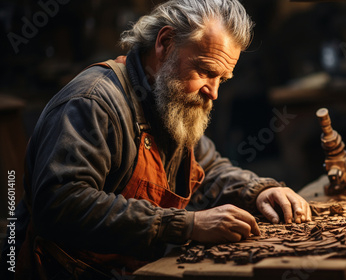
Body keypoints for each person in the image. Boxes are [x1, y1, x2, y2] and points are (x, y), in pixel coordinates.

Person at [2, 0, 311, 278]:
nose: (214, 92)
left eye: (222, 79)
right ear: (165, 42)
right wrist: (187, 225)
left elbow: (208, 169)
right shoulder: (93, 101)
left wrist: (258, 190)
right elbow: (59, 203)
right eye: (205, 71)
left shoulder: (170, 101)